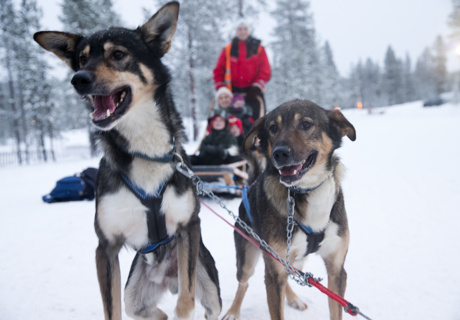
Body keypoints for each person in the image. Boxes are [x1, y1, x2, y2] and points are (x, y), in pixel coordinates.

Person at [213, 19, 271, 120]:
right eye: (240, 29)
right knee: (229, 121)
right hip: (232, 92)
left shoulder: (259, 49)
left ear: (249, 31)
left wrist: (257, 86)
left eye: (245, 29)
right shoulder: (228, 50)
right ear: (236, 31)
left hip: (253, 92)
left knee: (258, 121)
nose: (242, 31)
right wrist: (221, 88)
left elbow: (265, 70)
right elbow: (218, 70)